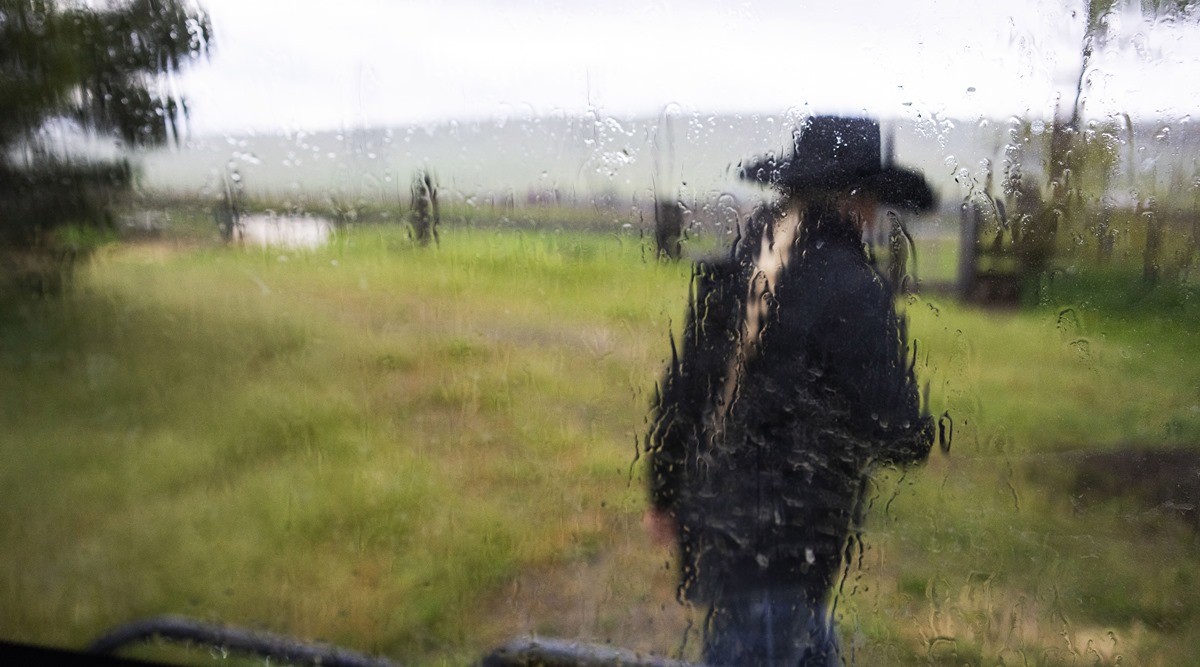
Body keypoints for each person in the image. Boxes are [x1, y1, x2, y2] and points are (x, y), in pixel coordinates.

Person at [644, 115, 937, 666]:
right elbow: (899, 431)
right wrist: (921, 430)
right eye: (873, 197)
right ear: (858, 200)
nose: (876, 214)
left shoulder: (737, 269)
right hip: (788, 557)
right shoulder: (853, 291)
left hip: (728, 538)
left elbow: (683, 395)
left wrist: (662, 494)